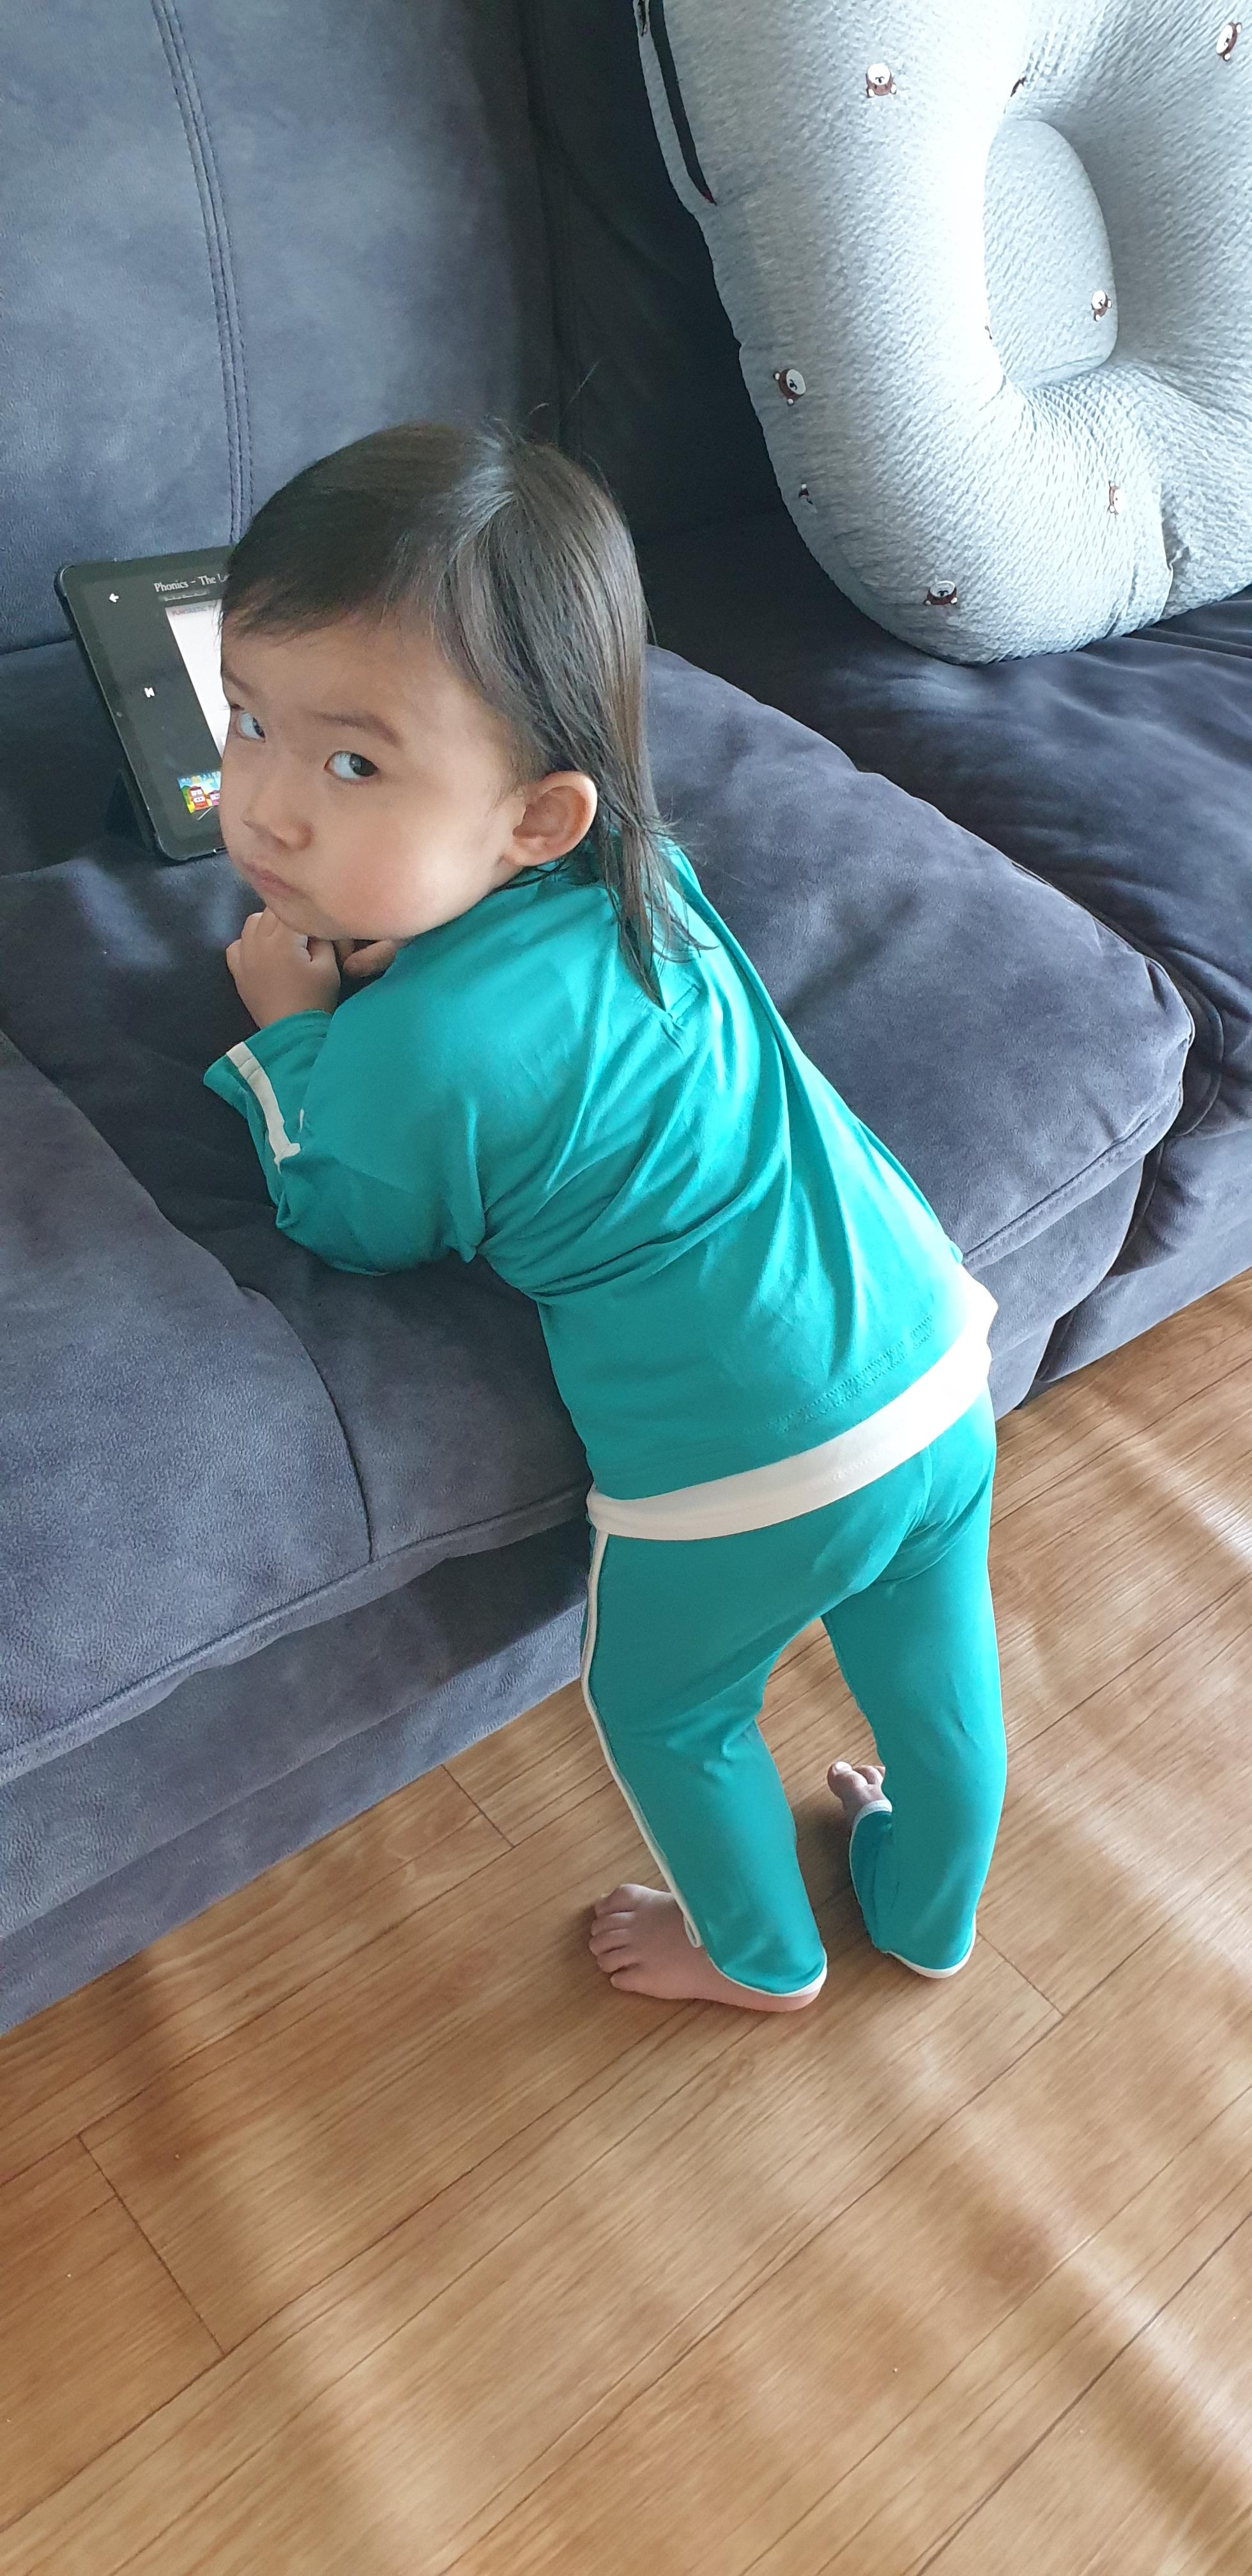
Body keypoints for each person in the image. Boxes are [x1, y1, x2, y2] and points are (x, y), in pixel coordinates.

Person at [204, 419, 1006, 2014]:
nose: (266, 810)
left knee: (667, 1709)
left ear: (535, 820)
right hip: (927, 1348)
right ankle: (928, 1915)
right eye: (247, 722)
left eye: (354, 765)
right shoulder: (652, 877)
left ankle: (755, 1957)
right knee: (932, 1666)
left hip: (751, 1460)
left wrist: (289, 1032)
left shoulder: (410, 1054)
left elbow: (350, 1216)